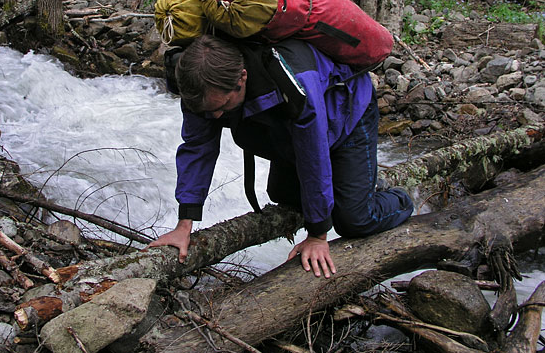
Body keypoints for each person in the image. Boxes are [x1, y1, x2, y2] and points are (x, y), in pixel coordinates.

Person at [148, 34, 413, 277]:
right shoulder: (199, 85)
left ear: (242, 77)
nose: (217, 117)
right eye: (210, 110)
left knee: (353, 220)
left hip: (345, 112)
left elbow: (313, 154)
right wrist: (185, 224)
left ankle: (399, 199)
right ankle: (352, 186)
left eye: (223, 106)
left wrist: (318, 235)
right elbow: (197, 148)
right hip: (284, 127)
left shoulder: (293, 84)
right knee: (283, 194)